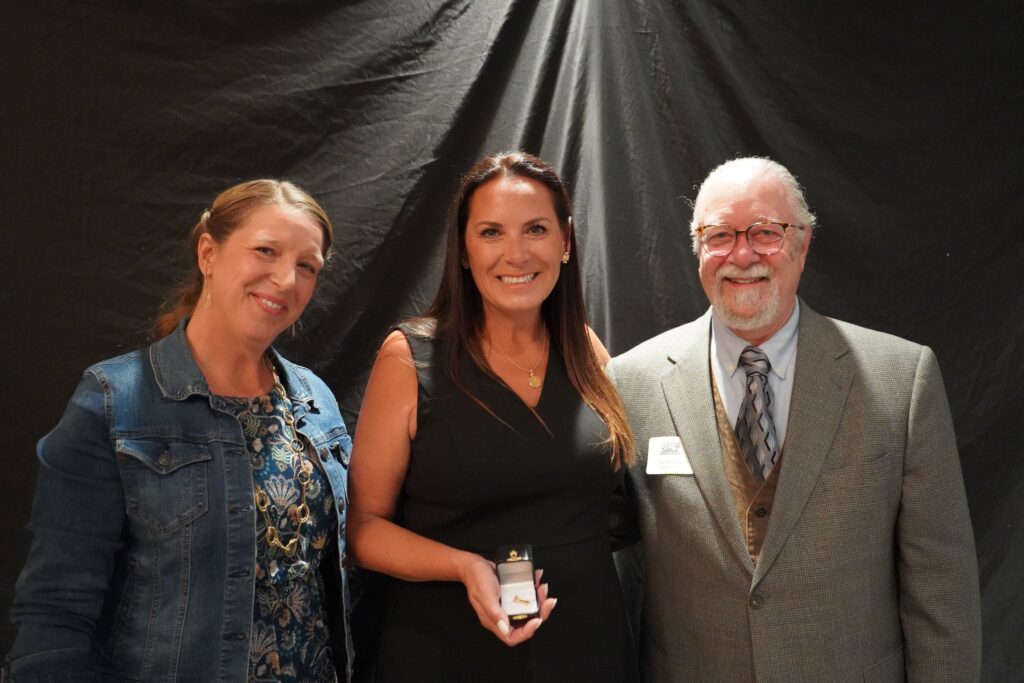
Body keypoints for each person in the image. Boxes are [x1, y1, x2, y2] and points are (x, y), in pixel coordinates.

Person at [606, 157, 982, 682]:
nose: (742, 254)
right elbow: (609, 565)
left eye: (766, 232)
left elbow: (942, 589)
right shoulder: (631, 383)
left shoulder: (901, 380)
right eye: (719, 235)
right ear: (698, 252)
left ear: (802, 245)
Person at [6, 180, 354, 682]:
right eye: (266, 251)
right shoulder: (113, 400)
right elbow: (55, 607)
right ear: (208, 253)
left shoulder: (315, 400)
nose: (286, 278)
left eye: (307, 266)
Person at [347, 151, 639, 682]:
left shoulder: (589, 354)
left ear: (566, 241)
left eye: (535, 229)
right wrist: (464, 567)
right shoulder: (409, 358)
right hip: (448, 652)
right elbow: (364, 531)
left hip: (588, 649)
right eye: (490, 233)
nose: (516, 252)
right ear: (462, 249)